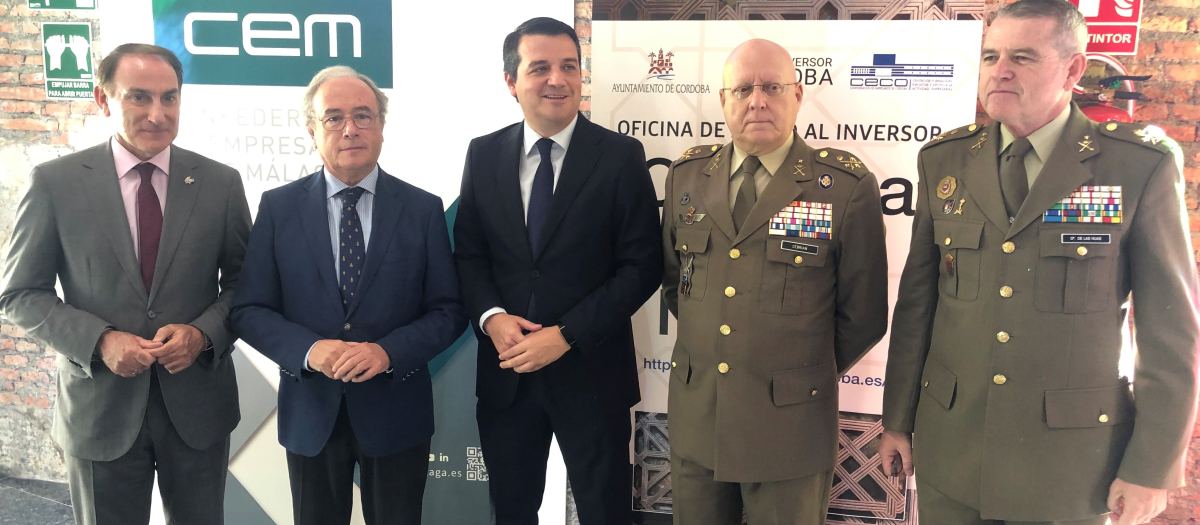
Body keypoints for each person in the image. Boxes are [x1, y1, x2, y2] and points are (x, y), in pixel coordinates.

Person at [879, 1, 1200, 524]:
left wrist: (1151, 466)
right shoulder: (945, 160)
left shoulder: (1134, 165)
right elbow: (918, 305)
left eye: (1022, 57)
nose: (999, 71)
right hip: (954, 451)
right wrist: (897, 420)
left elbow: (1172, 332)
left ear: (1074, 69)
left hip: (1070, 464)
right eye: (990, 56)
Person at [0, 43, 251, 525]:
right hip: (100, 409)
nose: (158, 114)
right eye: (139, 97)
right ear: (102, 98)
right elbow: (20, 294)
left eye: (170, 98)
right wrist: (99, 341)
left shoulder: (220, 183)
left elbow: (246, 285)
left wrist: (203, 335)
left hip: (197, 408)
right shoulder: (56, 183)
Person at [659, 38, 889, 525]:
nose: (757, 100)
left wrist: (790, 371)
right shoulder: (686, 176)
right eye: (742, 89)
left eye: (772, 87)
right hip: (699, 421)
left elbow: (863, 314)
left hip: (790, 428)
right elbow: (676, 284)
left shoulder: (844, 188)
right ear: (723, 101)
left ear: (798, 96)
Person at [229, 66, 467, 525]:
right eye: (334, 117)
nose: (350, 128)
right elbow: (249, 309)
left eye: (363, 115)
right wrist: (309, 350)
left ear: (381, 125)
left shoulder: (422, 209)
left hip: (397, 413)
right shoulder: (278, 208)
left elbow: (449, 311)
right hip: (311, 413)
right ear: (312, 129)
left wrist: (387, 351)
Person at [453, 16, 663, 525]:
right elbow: (469, 255)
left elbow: (642, 266)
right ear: (511, 82)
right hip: (508, 372)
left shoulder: (619, 156)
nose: (558, 79)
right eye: (541, 67)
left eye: (570, 66)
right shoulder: (483, 154)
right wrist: (492, 318)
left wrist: (566, 335)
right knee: (511, 510)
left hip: (592, 374)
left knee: (604, 511)